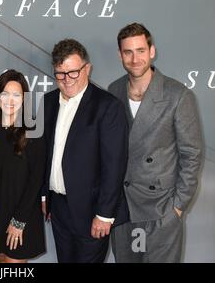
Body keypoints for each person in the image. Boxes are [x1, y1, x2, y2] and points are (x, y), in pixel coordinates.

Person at [109, 23, 203, 263]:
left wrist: (177, 208)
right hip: (123, 208)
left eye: (141, 50)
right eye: (128, 52)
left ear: (152, 52)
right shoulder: (114, 91)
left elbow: (192, 155)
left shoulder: (178, 95)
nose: (135, 58)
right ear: (120, 55)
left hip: (160, 209)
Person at [42, 39, 129, 263]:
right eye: (60, 74)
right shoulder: (48, 102)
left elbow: (114, 166)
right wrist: (45, 195)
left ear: (87, 69)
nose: (66, 80)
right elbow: (45, 154)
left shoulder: (108, 106)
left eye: (73, 72)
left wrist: (104, 214)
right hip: (59, 208)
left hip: (92, 211)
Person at [0, 70, 46, 263]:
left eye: (17, 95)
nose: (10, 100)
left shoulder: (33, 130)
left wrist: (18, 221)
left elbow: (36, 180)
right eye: (5, 94)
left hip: (21, 217)